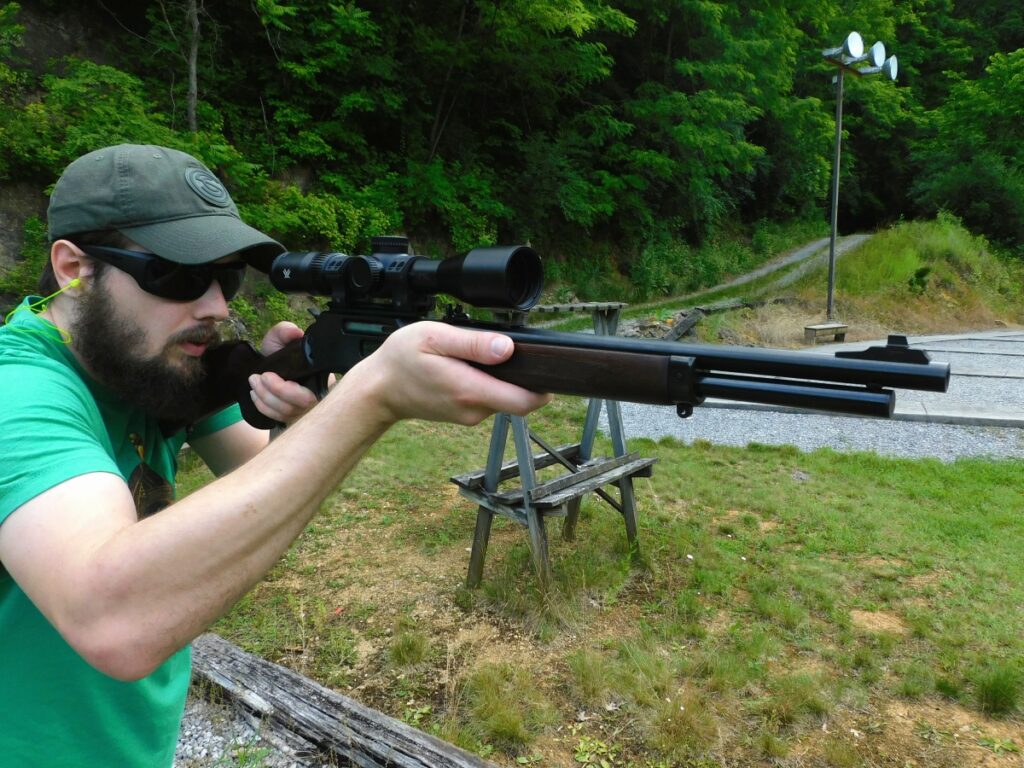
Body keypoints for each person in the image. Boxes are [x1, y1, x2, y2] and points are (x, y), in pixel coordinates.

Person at [0, 144, 550, 766]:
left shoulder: (143, 366)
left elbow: (255, 474)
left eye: (226, 278)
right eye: (179, 276)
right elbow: (114, 623)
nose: (216, 307)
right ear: (74, 267)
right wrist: (366, 401)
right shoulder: (17, 390)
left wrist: (292, 415)